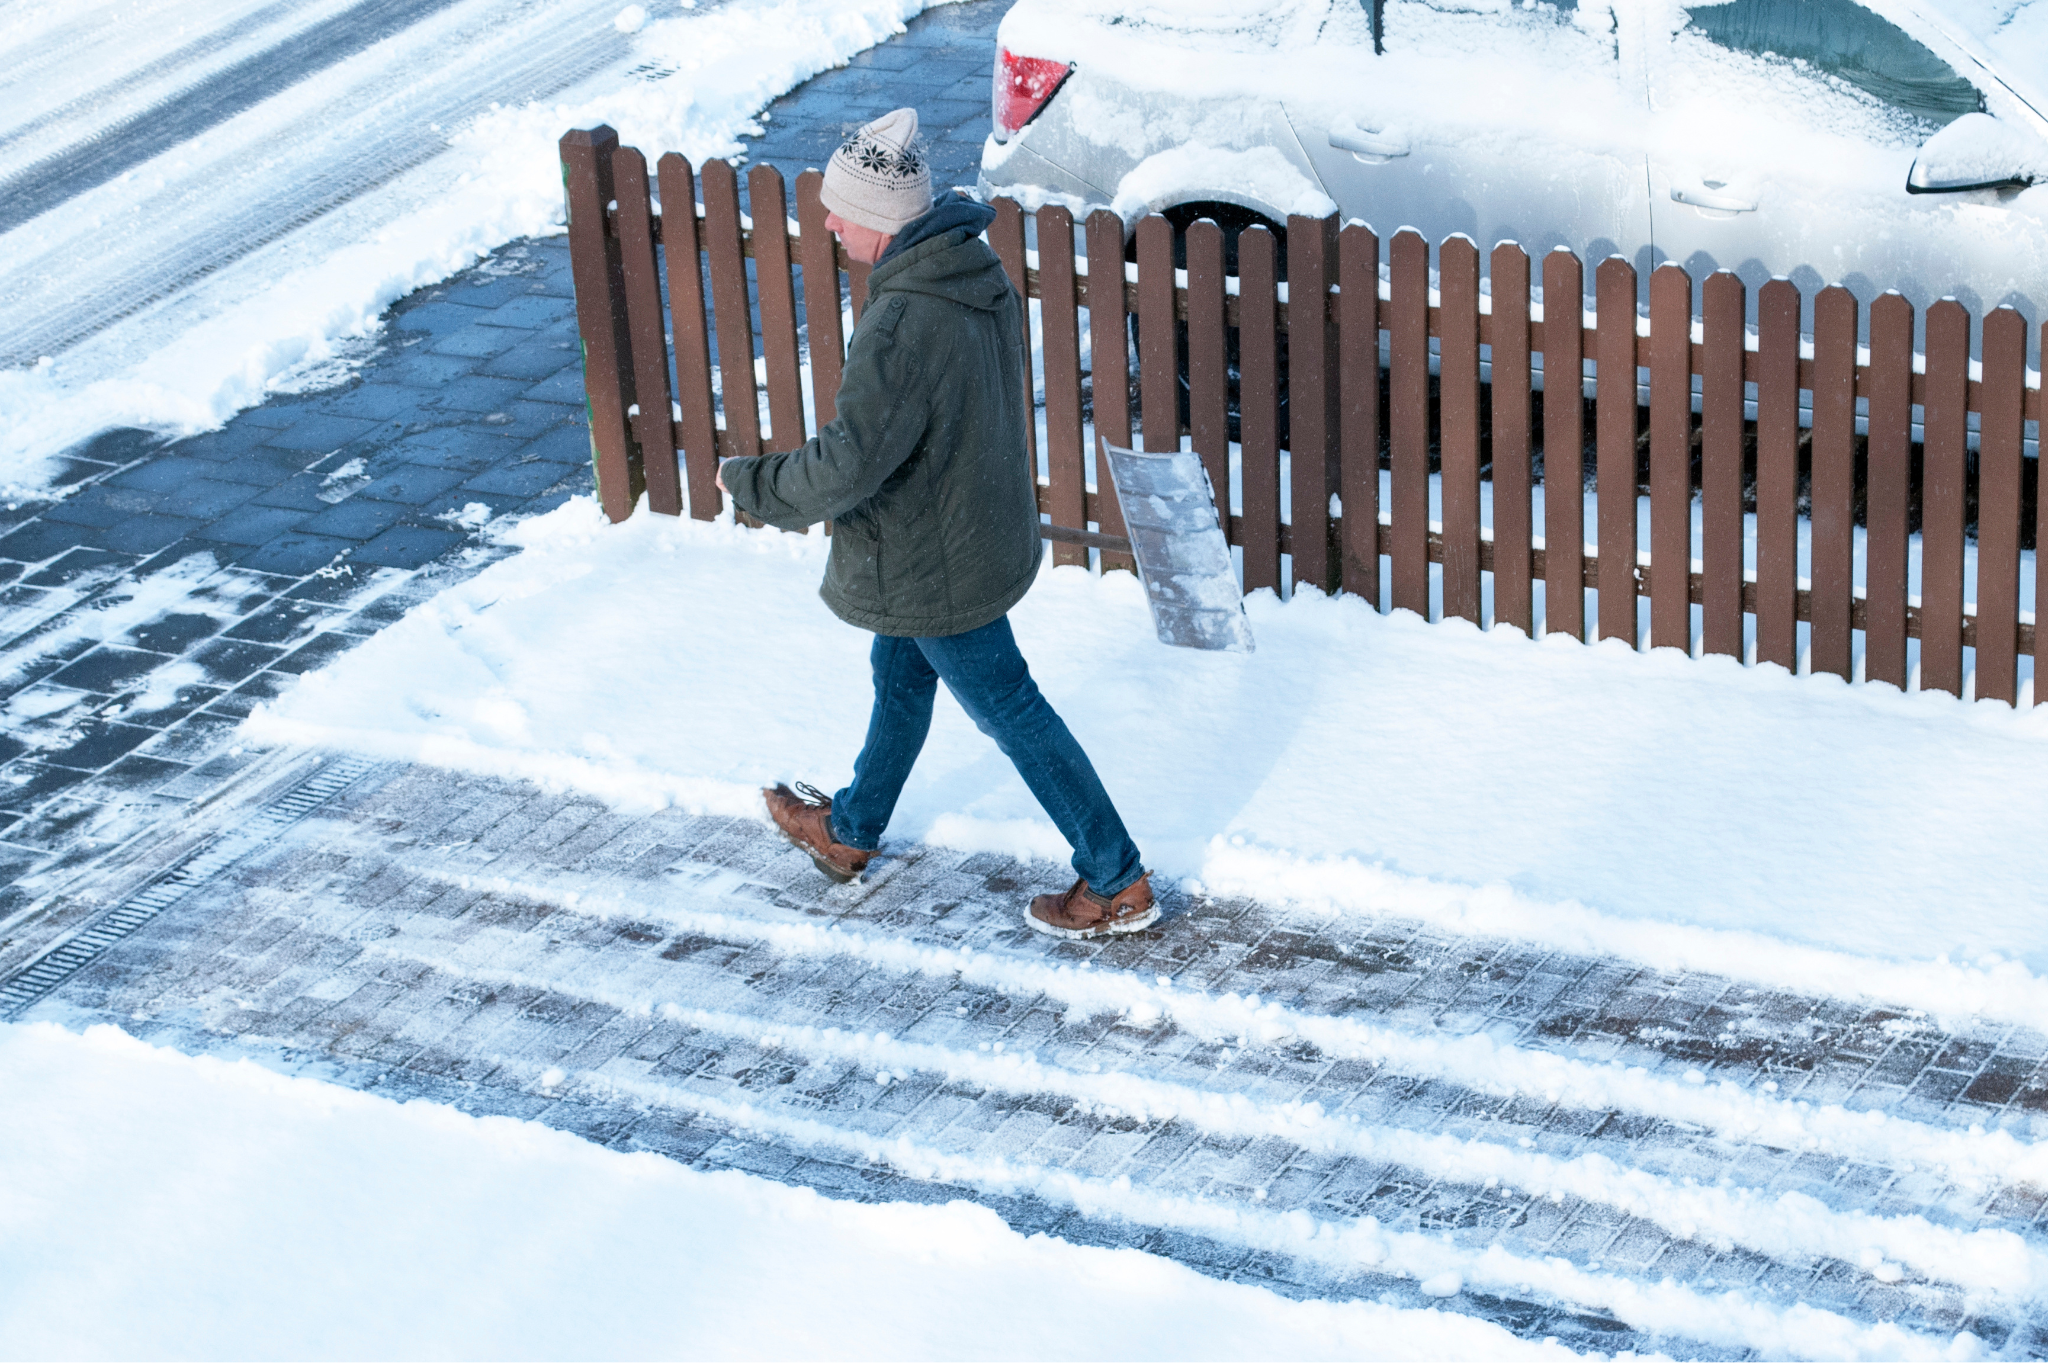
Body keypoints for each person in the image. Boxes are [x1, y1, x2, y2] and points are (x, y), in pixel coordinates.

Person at [714, 107, 1155, 940]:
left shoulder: (900, 324)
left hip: (935, 557)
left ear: (881, 221)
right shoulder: (968, 268)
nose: (829, 220)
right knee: (902, 674)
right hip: (968, 527)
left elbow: (849, 462)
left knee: (1011, 709)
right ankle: (849, 833)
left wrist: (755, 484)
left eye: (840, 209)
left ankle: (1116, 877)